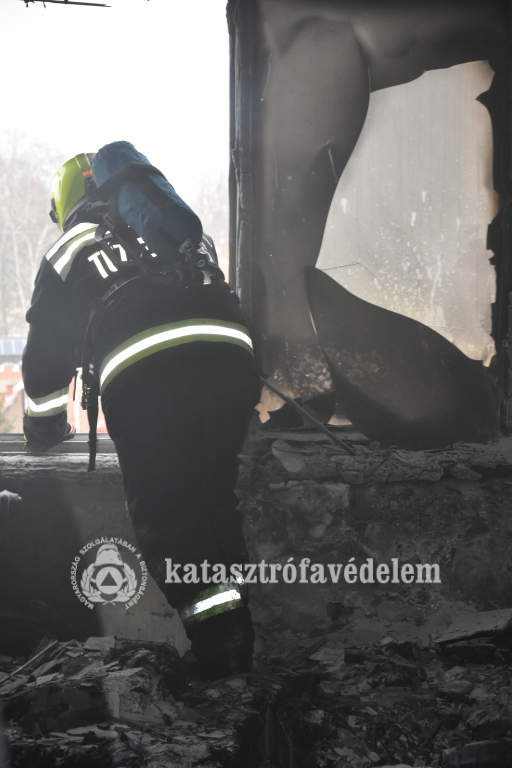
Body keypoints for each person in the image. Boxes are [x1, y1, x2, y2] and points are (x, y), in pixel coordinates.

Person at [22, 148, 261, 678]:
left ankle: (221, 651)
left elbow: (44, 361)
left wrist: (44, 426)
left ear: (65, 201)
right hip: (232, 358)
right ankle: (236, 636)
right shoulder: (176, 233)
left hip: (150, 370)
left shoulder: (73, 245)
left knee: (169, 513)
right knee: (212, 498)